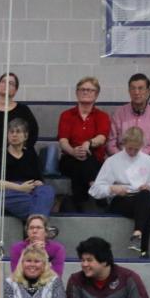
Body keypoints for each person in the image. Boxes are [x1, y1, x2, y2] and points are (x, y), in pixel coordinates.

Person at [89, 126, 150, 257]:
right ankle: (144, 250)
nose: (132, 151)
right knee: (146, 207)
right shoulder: (112, 161)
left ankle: (138, 232)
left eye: (136, 149)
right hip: (120, 200)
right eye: (130, 148)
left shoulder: (148, 161)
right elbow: (95, 190)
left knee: (145, 197)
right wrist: (112, 188)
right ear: (123, 144)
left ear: (142, 145)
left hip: (141, 198)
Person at [56, 77, 110, 212]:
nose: (86, 92)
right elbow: (63, 141)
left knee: (85, 160)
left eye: (90, 90)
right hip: (69, 158)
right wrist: (73, 151)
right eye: (82, 89)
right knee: (79, 160)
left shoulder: (102, 116)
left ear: (96, 94)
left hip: (94, 159)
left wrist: (88, 144)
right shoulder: (67, 115)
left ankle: (78, 201)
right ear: (77, 93)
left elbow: (102, 138)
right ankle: (96, 187)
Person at [0, 118, 55, 220]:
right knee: (35, 202)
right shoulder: (0, 154)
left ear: (26, 136)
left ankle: (34, 223)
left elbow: (39, 179)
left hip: (29, 190)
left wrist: (38, 183)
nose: (14, 135)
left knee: (47, 190)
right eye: (11, 132)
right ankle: (40, 225)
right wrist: (20, 188)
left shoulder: (31, 155)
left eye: (18, 132)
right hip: (9, 191)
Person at [106, 74, 150, 167]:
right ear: (129, 91)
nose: (136, 92)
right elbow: (110, 144)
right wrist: (123, 158)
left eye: (140, 88)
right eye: (133, 88)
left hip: (149, 161)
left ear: (148, 91)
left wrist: (144, 158)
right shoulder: (119, 114)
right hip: (122, 162)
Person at [8, 213, 65, 278]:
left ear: (46, 232)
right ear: (27, 232)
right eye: (31, 228)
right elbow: (15, 276)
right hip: (24, 285)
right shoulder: (17, 248)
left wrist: (44, 254)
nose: (34, 231)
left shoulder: (57, 249)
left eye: (39, 228)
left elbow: (57, 277)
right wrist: (27, 251)